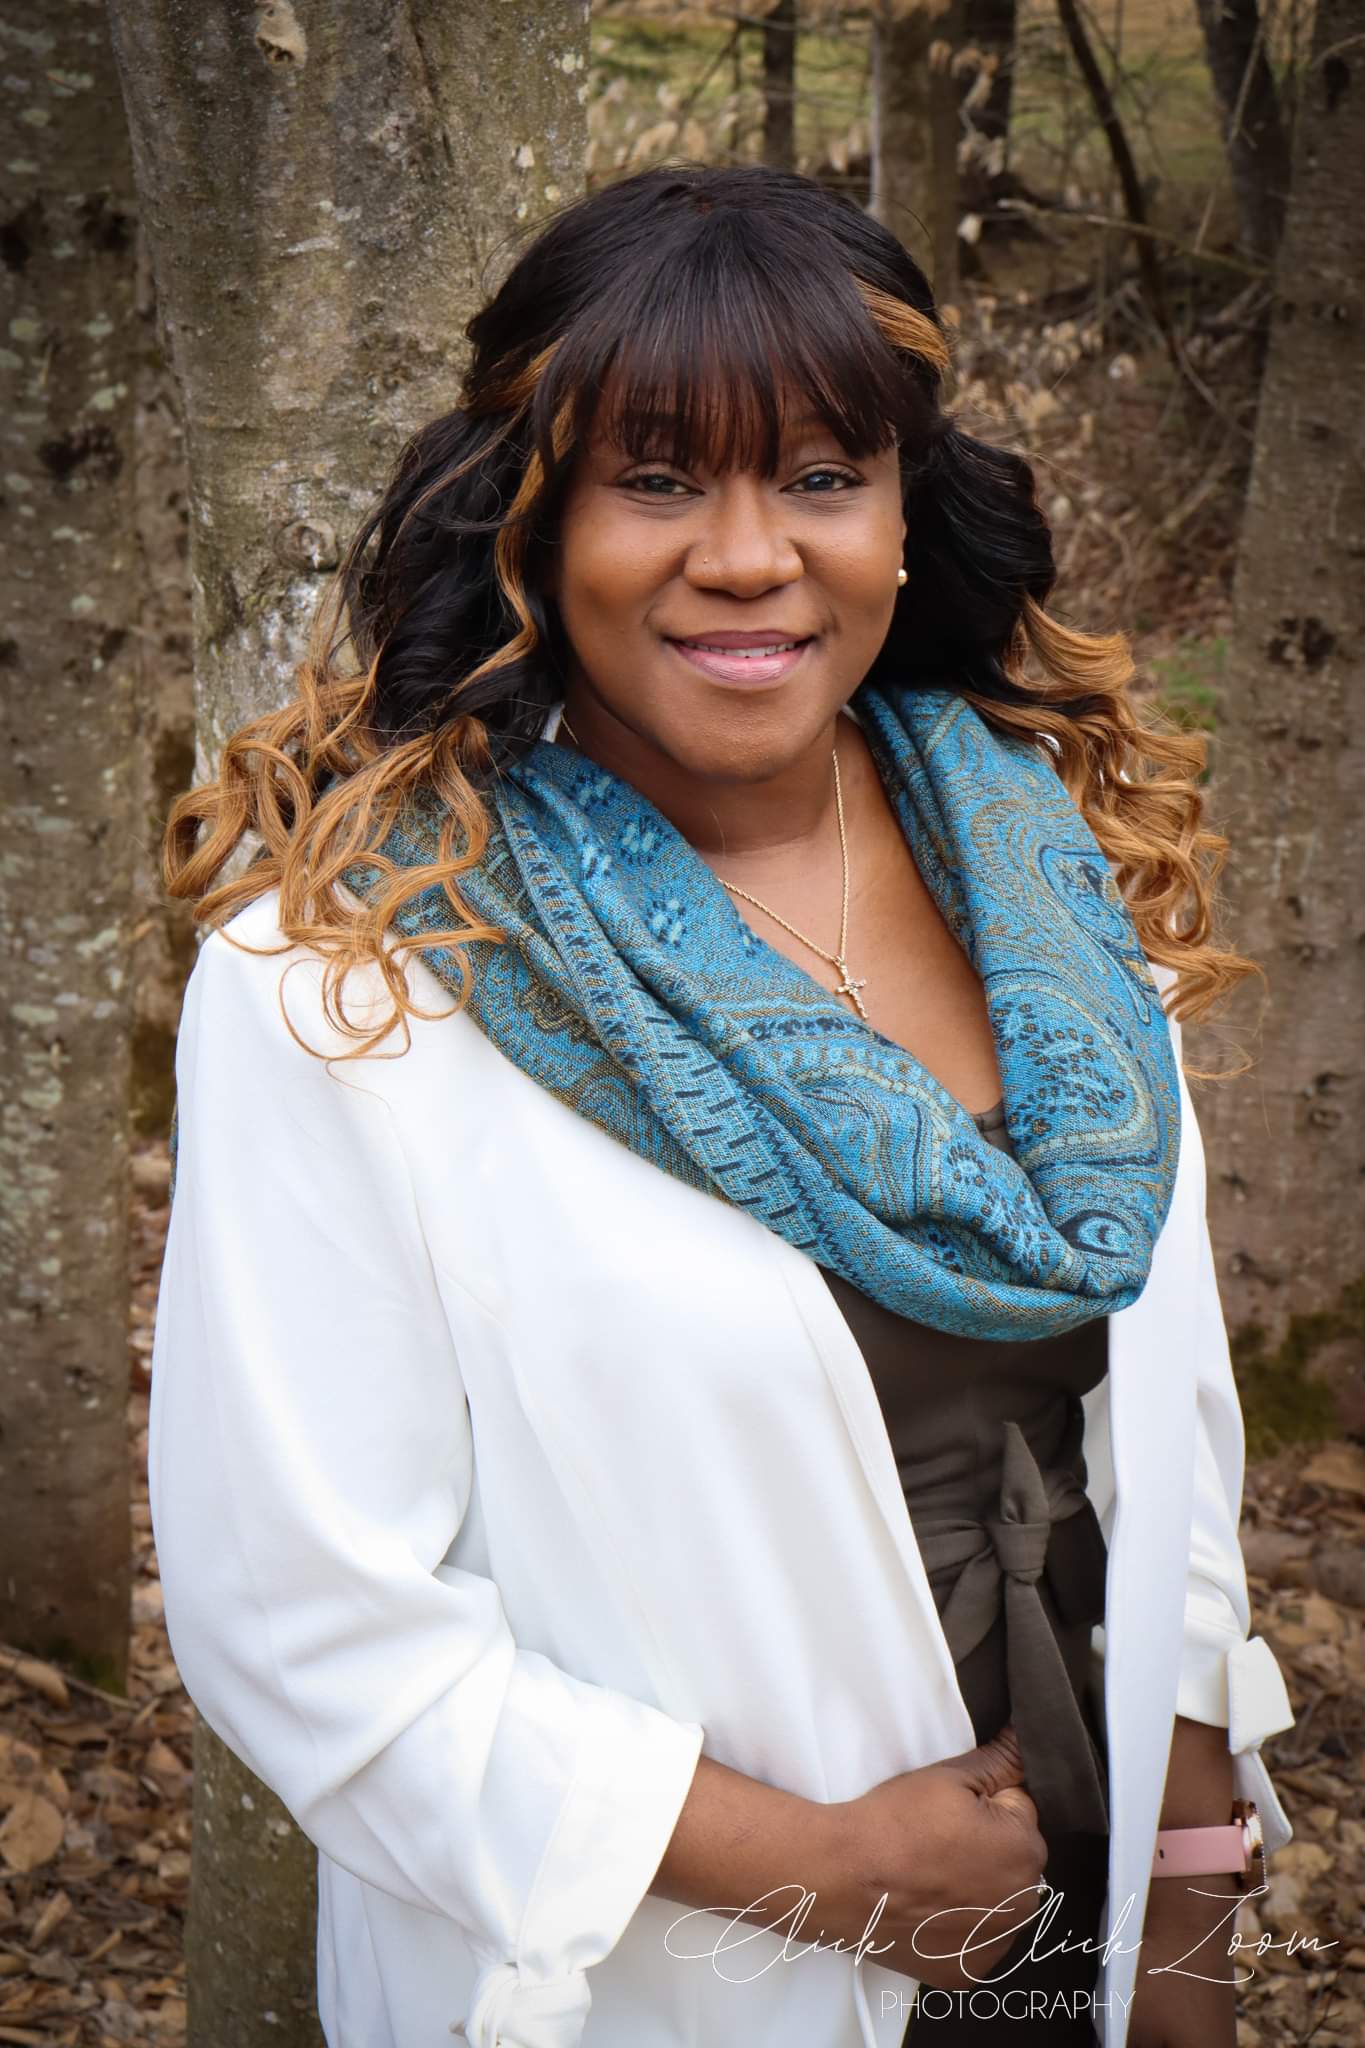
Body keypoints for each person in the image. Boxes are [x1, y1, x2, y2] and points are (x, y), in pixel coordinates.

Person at [150, 163, 1296, 2048]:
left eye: (824, 476)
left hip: (1073, 1925)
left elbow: (1156, 1429)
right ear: (526, 523)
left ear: (908, 516)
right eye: (659, 478)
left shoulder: (1056, 885)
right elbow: (307, 1625)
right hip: (682, 1974)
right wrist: (827, 1867)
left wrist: (1176, 1901)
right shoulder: (358, 975)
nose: (752, 554)